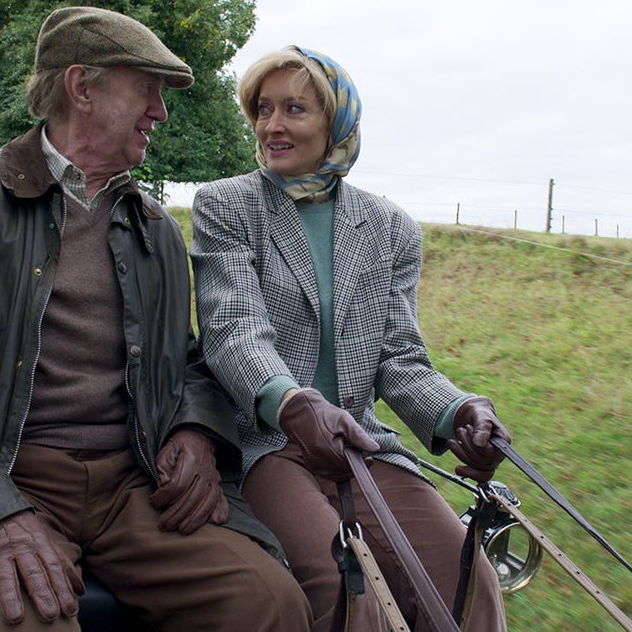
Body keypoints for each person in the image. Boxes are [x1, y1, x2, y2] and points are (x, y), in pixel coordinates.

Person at [0, 7, 311, 632]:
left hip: (132, 484)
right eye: (148, 89)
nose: (161, 112)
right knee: (14, 614)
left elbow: (191, 361)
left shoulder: (154, 230)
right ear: (82, 87)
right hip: (2, 471)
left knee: (268, 602)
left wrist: (195, 431)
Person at [190, 45, 511, 632]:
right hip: (268, 444)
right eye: (263, 109)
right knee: (345, 587)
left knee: (467, 578)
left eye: (294, 109)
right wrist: (292, 402)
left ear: (336, 123)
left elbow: (398, 358)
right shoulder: (225, 205)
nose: (272, 125)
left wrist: (457, 411)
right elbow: (233, 331)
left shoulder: (390, 228)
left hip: (360, 441)